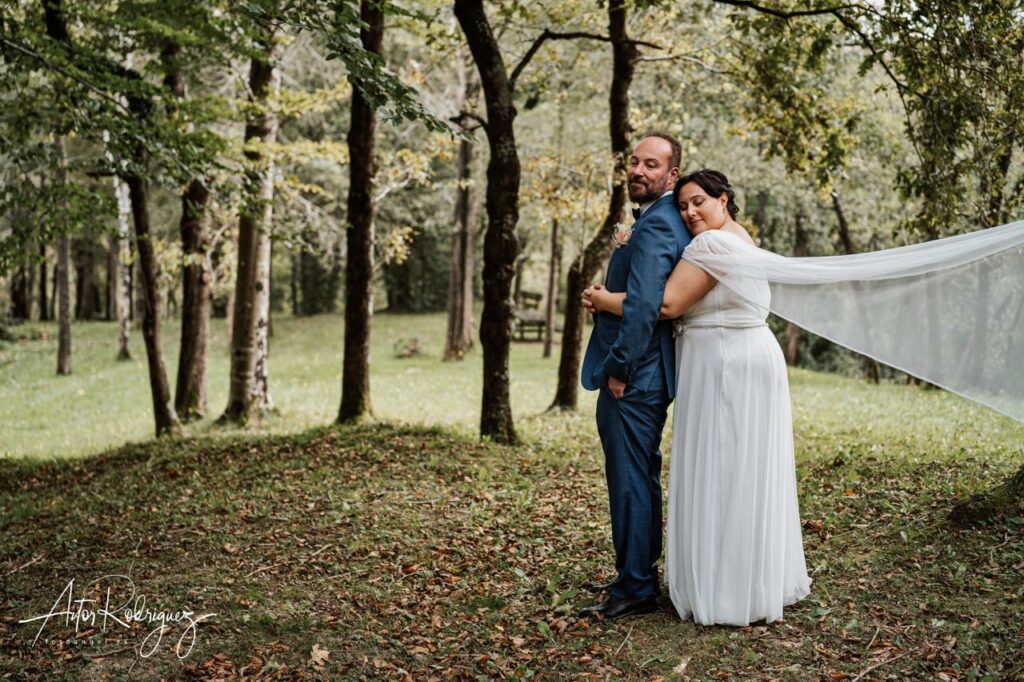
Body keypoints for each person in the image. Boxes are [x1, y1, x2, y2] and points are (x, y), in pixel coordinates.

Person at [583, 169, 812, 625]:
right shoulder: (740, 236)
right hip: (746, 358)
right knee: (741, 472)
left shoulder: (711, 245)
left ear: (724, 198)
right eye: (684, 204)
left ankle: (725, 589)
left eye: (699, 202)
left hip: (726, 364)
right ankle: (745, 579)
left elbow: (666, 305)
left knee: (725, 470)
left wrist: (603, 298)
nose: (690, 212)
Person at [576, 133, 692, 620]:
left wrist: (618, 370)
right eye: (634, 162)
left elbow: (647, 307)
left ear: (671, 175)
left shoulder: (659, 225)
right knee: (637, 477)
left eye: (652, 164)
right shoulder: (653, 220)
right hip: (643, 372)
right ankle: (635, 573)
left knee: (629, 480)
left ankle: (637, 587)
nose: (638, 171)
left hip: (635, 375)